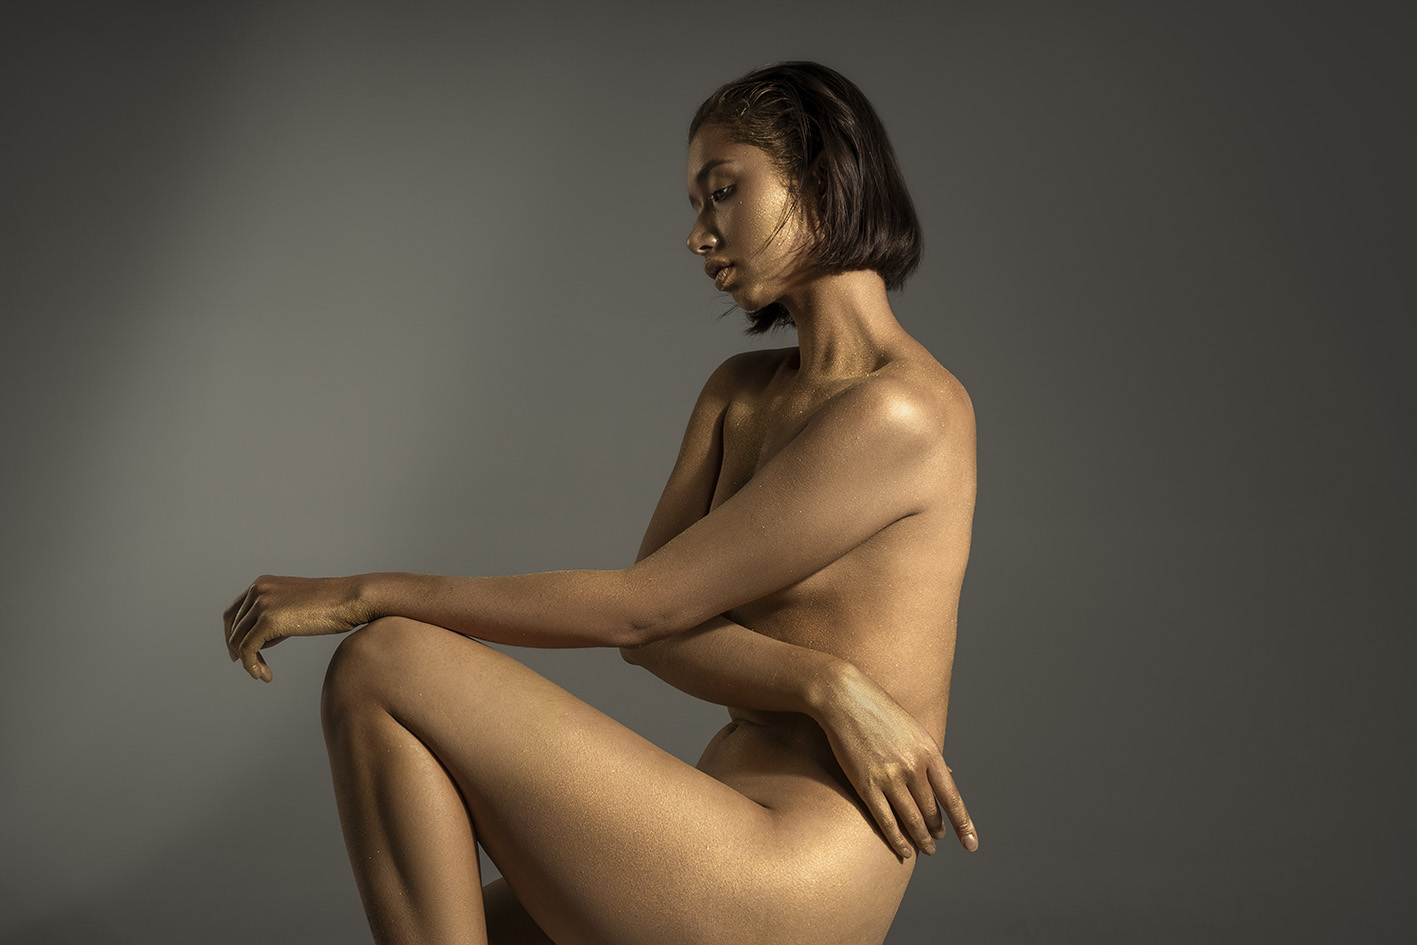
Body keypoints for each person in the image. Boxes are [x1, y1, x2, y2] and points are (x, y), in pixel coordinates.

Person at [223, 61, 979, 945]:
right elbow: (651, 638)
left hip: (795, 878)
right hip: (707, 834)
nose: (697, 234)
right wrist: (825, 683)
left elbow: (638, 608)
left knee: (383, 658)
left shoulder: (902, 412)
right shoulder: (737, 392)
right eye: (696, 204)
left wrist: (363, 592)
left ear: (818, 176)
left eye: (722, 191)